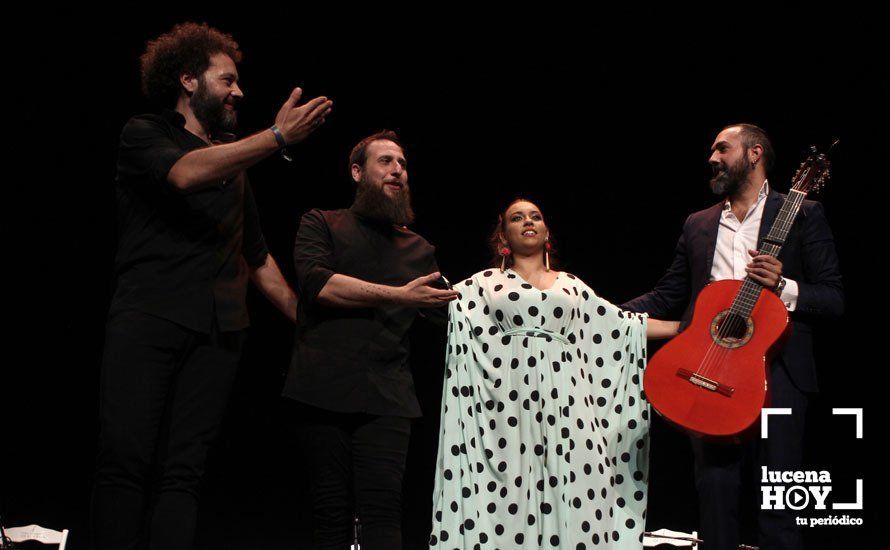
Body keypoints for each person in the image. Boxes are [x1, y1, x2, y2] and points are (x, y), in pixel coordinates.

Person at [91, 22, 332, 550]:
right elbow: (183, 174)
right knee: (125, 464)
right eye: (228, 80)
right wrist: (276, 137)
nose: (239, 92)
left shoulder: (234, 161)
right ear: (187, 80)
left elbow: (257, 256)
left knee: (185, 473)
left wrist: (307, 323)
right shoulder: (144, 133)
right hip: (149, 317)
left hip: (221, 331)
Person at [622, 123, 844, 550]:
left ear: (755, 153)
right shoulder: (699, 224)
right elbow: (668, 293)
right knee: (715, 498)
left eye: (722, 148)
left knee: (778, 508)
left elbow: (833, 298)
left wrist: (783, 287)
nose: (712, 157)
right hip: (711, 374)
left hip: (780, 374)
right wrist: (598, 311)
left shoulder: (801, 212)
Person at [429, 198, 679, 549]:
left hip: (568, 408)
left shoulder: (572, 286)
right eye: (517, 218)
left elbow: (621, 326)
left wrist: (687, 329)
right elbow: (445, 303)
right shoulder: (484, 284)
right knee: (509, 496)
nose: (528, 221)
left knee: (576, 490)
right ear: (504, 235)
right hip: (508, 410)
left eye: (535, 216)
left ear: (546, 233)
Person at [284, 131, 458, 549]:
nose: (398, 169)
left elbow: (455, 314)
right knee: (329, 515)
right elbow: (319, 286)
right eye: (386, 161)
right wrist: (401, 295)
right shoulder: (321, 222)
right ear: (357, 172)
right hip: (321, 390)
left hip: (388, 398)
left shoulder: (418, 248)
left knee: (383, 515)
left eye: (402, 163)